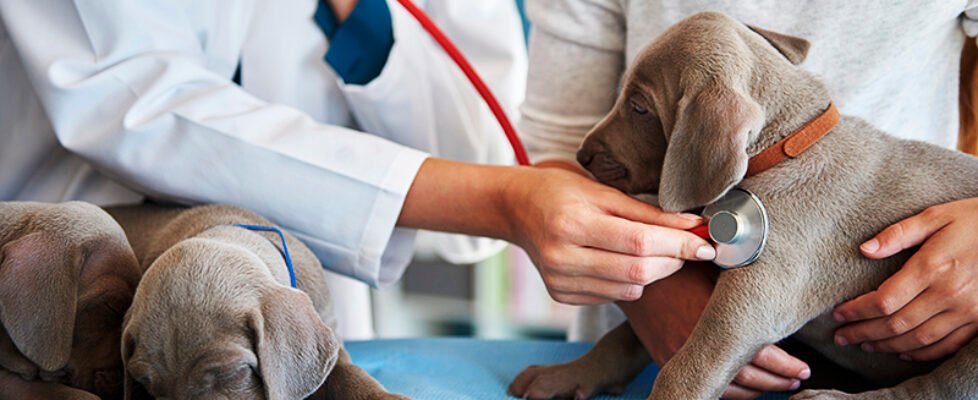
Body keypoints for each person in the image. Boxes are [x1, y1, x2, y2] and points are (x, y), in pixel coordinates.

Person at [0, 0, 715, 339]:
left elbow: (483, 170)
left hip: (304, 316)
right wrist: (499, 200)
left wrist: (364, 23)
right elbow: (130, 98)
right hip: (72, 280)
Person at [522, 1, 978, 399]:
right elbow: (558, 147)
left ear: (712, 129)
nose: (595, 144)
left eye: (639, 109)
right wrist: (648, 298)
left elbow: (742, 313)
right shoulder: (757, 172)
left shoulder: (816, 183)